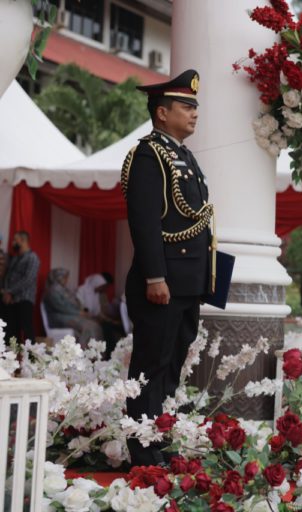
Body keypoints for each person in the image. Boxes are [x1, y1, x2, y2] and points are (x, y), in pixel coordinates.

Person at [122, 69, 214, 467]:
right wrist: (154, 276)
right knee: (150, 363)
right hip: (163, 281)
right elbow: (145, 220)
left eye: (195, 107)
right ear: (162, 113)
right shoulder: (149, 154)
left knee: (171, 365)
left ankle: (156, 435)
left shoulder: (183, 155)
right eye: (185, 106)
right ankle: (140, 448)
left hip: (187, 281)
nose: (194, 113)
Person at [43, 268, 103, 346]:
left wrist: (80, 310)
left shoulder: (63, 289)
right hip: (58, 318)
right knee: (88, 326)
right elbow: (61, 307)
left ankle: (95, 353)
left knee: (94, 324)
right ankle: (85, 352)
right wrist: (79, 313)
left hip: (68, 315)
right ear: (59, 278)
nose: (67, 280)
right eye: (65, 277)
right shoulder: (52, 291)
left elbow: (71, 304)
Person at [1, 231, 40, 342]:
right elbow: (7, 277)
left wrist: (10, 291)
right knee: (11, 331)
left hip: (24, 299)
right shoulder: (15, 259)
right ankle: (12, 357)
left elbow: (28, 279)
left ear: (23, 241)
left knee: (26, 329)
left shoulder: (32, 258)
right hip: (11, 301)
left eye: (15, 240)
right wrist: (6, 292)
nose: (13, 243)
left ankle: (31, 356)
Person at [77, 272, 124, 356]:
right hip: (85, 319)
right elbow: (82, 309)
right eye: (103, 286)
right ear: (97, 283)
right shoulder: (82, 290)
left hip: (95, 319)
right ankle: (108, 355)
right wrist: (95, 319)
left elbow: (98, 312)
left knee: (115, 327)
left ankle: (114, 354)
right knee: (107, 330)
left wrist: (110, 321)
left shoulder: (96, 294)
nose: (104, 289)